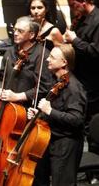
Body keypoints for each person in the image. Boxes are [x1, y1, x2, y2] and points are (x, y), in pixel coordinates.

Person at [29, 44, 86, 186]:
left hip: (66, 143)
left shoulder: (73, 88)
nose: (48, 59)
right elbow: (56, 112)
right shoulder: (58, 82)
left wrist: (49, 111)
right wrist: (39, 115)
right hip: (52, 138)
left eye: (52, 57)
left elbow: (77, 120)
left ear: (64, 62)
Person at [64, 0, 99, 153]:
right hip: (80, 77)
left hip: (93, 80)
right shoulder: (81, 18)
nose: (72, 9)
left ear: (84, 1)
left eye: (73, 5)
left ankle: (93, 168)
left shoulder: (98, 20)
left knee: (92, 125)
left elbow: (96, 52)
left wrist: (75, 40)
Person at [0, 16, 53, 108]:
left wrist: (18, 96)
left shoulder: (42, 56)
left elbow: (44, 89)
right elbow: (0, 78)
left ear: (31, 35)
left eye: (20, 31)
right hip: (6, 105)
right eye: (15, 30)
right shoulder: (10, 52)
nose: (15, 33)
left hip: (27, 108)